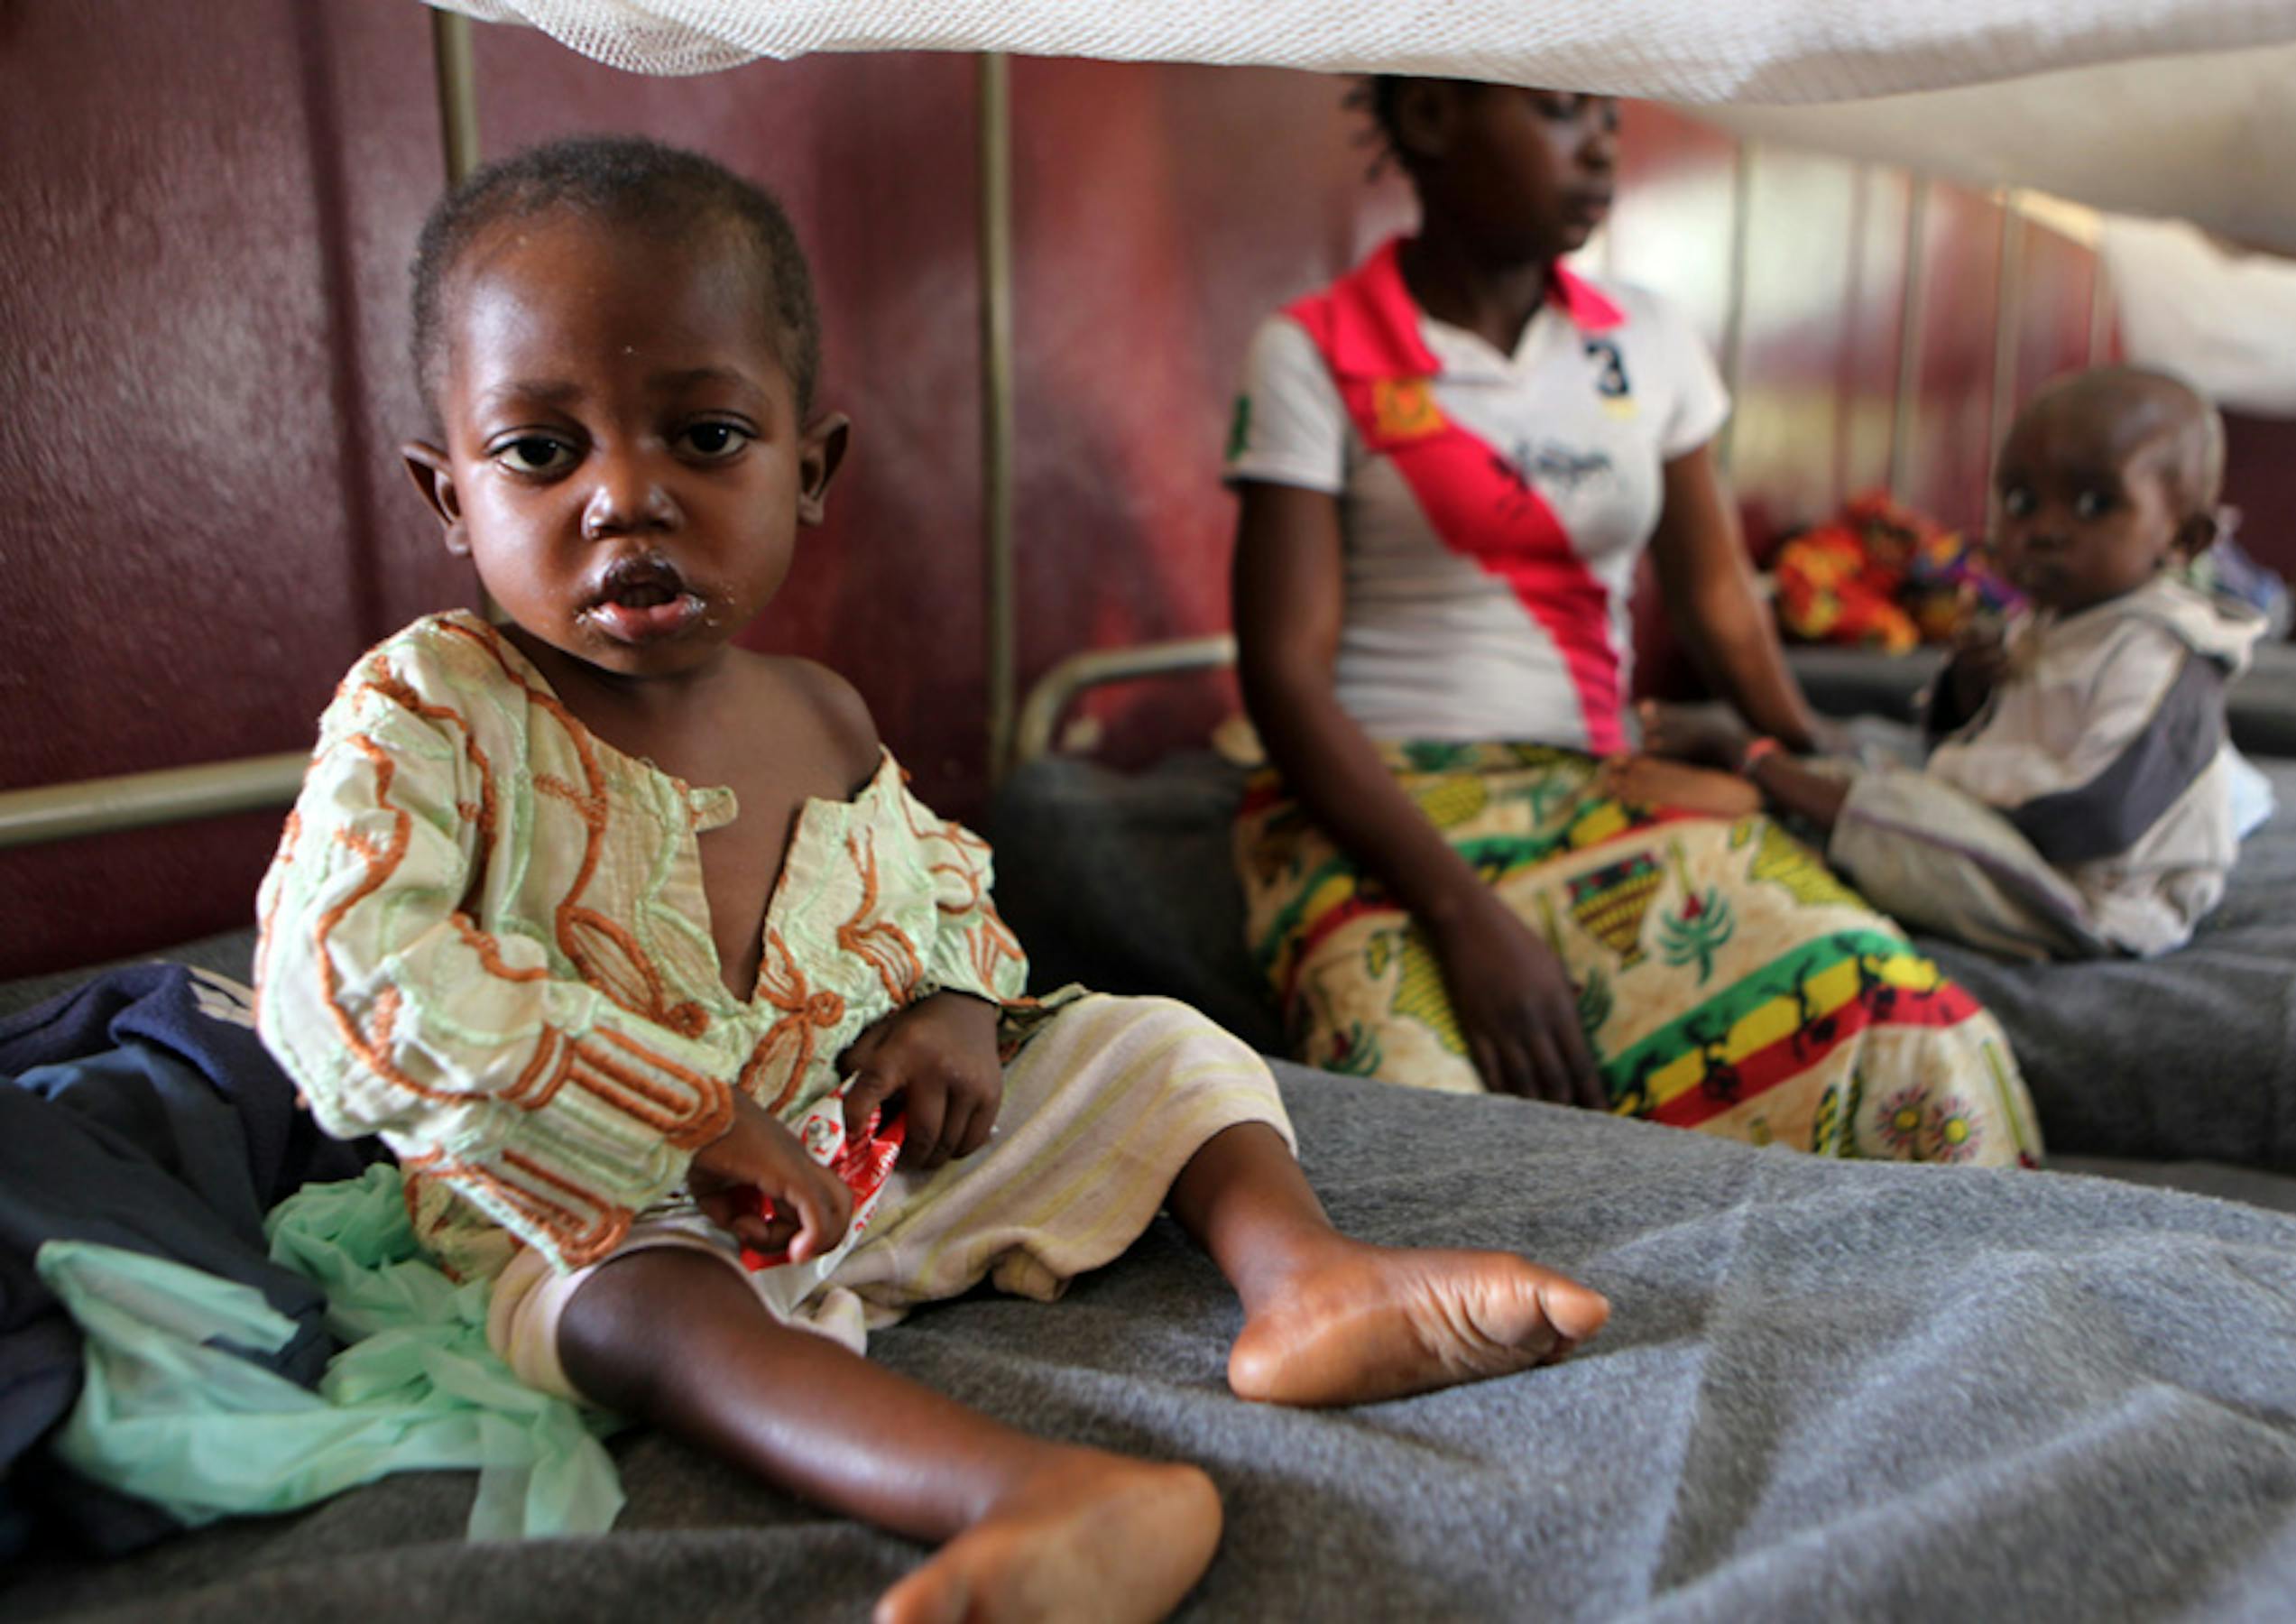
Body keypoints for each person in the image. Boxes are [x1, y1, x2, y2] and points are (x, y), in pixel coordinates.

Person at [253, 135, 1610, 1624]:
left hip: (860, 1160)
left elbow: (938, 892)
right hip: (613, 1195)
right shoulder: (434, 709)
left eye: (703, 438)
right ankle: (1027, 1491)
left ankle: (1307, 1279)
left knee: (1143, 1041)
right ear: (446, 495)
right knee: (629, 1303)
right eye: (541, 452)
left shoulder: (820, 711)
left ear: (810, 467)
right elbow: (347, 974)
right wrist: (685, 1116)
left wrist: (960, 1010)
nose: (623, 499)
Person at [1228, 79, 2040, 1165]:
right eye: (1563, 111)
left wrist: (1811, 758)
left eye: (1609, 113)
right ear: (1429, 118)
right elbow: (1284, 677)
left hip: (1598, 787)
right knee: (1429, 1132)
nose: (1605, 144)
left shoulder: (1646, 341)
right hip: (1382, 809)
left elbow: (1716, 599)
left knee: (1912, 1036)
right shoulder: (1315, 349)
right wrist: (1464, 919)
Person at [1647, 367, 2265, 960]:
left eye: (2093, 504)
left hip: (2107, 899)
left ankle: (1757, 766)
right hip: (2033, 853)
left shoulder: (2160, 648)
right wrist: (1969, 697)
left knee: (1901, 814)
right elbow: (1985, 739)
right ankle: (1809, 800)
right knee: (1877, 784)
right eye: (2021, 501)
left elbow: (2097, 812)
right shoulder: (2055, 622)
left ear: (2183, 540)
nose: (2045, 529)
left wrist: (1953, 798)